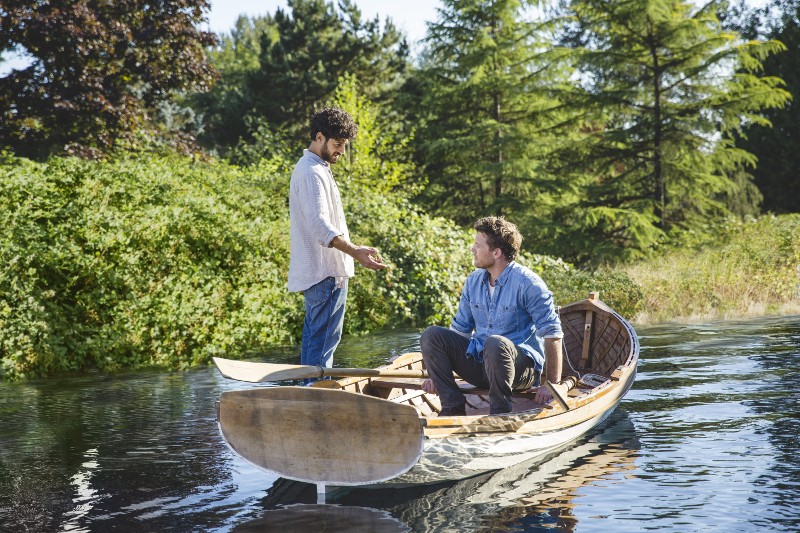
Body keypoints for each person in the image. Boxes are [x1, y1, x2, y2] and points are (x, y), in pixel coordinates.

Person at [420, 216, 566, 415]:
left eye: (478, 245)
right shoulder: (473, 281)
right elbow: (460, 331)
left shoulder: (529, 284)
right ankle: (452, 407)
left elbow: (553, 334)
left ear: (496, 252)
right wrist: (437, 372)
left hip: (519, 372)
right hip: (481, 366)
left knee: (495, 343)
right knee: (432, 335)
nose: (472, 249)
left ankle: (500, 414)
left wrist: (551, 383)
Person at [288, 107, 385, 383]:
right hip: (325, 275)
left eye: (344, 145)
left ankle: (312, 399)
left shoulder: (317, 168)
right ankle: (316, 404)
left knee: (317, 348)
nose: (341, 150)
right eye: (337, 144)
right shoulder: (311, 173)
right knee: (320, 352)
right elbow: (320, 227)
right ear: (319, 137)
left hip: (325, 275)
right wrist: (355, 252)